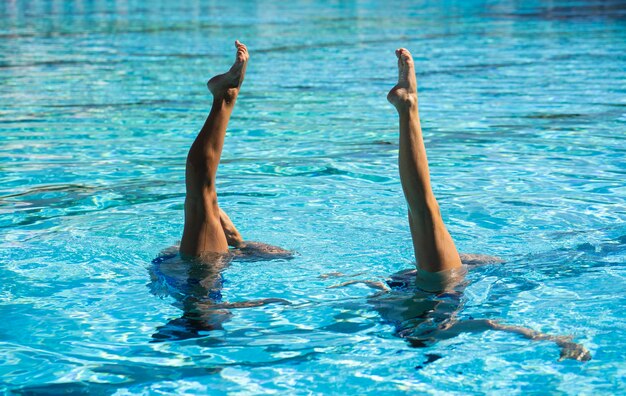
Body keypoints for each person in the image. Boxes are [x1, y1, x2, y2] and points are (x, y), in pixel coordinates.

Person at [330, 48, 590, 362]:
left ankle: (409, 108)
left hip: (436, 284)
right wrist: (553, 340)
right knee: (420, 210)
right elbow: (489, 324)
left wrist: (555, 340)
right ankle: (407, 108)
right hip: (416, 280)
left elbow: (490, 324)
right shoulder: (399, 324)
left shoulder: (436, 329)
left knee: (423, 207)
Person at [150, 41, 291, 341]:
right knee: (202, 194)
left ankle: (224, 98)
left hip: (200, 266)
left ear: (205, 319)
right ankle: (224, 97)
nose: (226, 315)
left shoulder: (199, 299)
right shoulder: (200, 298)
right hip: (204, 261)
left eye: (220, 319)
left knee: (203, 192)